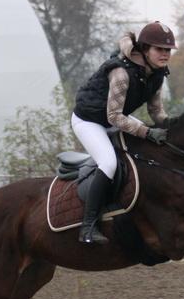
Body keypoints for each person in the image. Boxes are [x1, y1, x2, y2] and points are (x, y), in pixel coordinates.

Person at [71, 21, 178, 244]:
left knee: (151, 148)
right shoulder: (121, 73)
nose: (165, 54)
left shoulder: (157, 73)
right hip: (89, 121)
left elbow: (156, 111)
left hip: (114, 117)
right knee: (109, 163)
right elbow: (114, 117)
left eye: (168, 50)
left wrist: (174, 126)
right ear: (145, 49)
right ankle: (88, 226)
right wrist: (147, 132)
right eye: (160, 49)